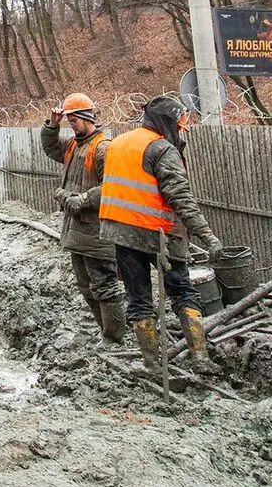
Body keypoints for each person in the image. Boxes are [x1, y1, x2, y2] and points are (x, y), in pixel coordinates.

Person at [98, 94, 226, 386]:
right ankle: (201, 359)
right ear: (167, 122)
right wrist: (208, 236)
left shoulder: (117, 143)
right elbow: (180, 197)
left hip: (122, 232)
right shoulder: (161, 149)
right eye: (180, 124)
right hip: (159, 232)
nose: (184, 130)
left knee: (138, 299)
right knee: (182, 291)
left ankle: (152, 364)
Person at [43, 93, 124, 344]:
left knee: (104, 285)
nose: (72, 124)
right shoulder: (74, 145)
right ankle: (106, 331)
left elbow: (112, 186)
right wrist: (52, 126)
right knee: (86, 285)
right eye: (69, 120)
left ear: (88, 117)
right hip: (78, 230)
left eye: (74, 119)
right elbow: (51, 147)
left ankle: (114, 337)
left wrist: (81, 200)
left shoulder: (102, 148)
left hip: (98, 232)